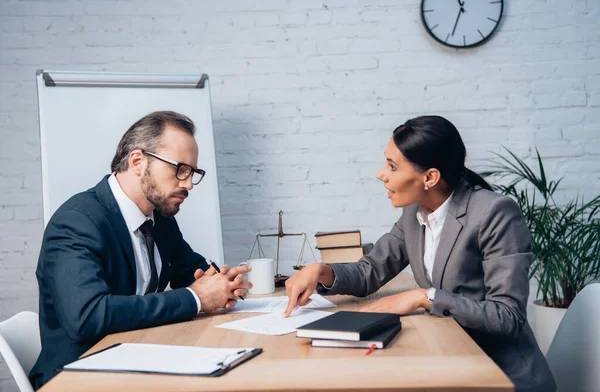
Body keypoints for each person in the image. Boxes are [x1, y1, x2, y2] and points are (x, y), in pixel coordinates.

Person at [284, 116, 556, 391]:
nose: (381, 174)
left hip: (500, 373)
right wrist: (321, 271)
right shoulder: (414, 212)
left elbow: (507, 316)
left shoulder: (494, 213)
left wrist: (425, 297)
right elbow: (370, 271)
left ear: (430, 177)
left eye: (392, 166)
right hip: (448, 359)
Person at [30, 111, 252, 389]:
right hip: (78, 376)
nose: (187, 184)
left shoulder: (160, 218)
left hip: (137, 358)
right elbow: (87, 316)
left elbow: (190, 271)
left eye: (193, 173)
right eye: (180, 169)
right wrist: (196, 299)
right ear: (137, 161)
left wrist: (224, 282)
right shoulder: (77, 220)